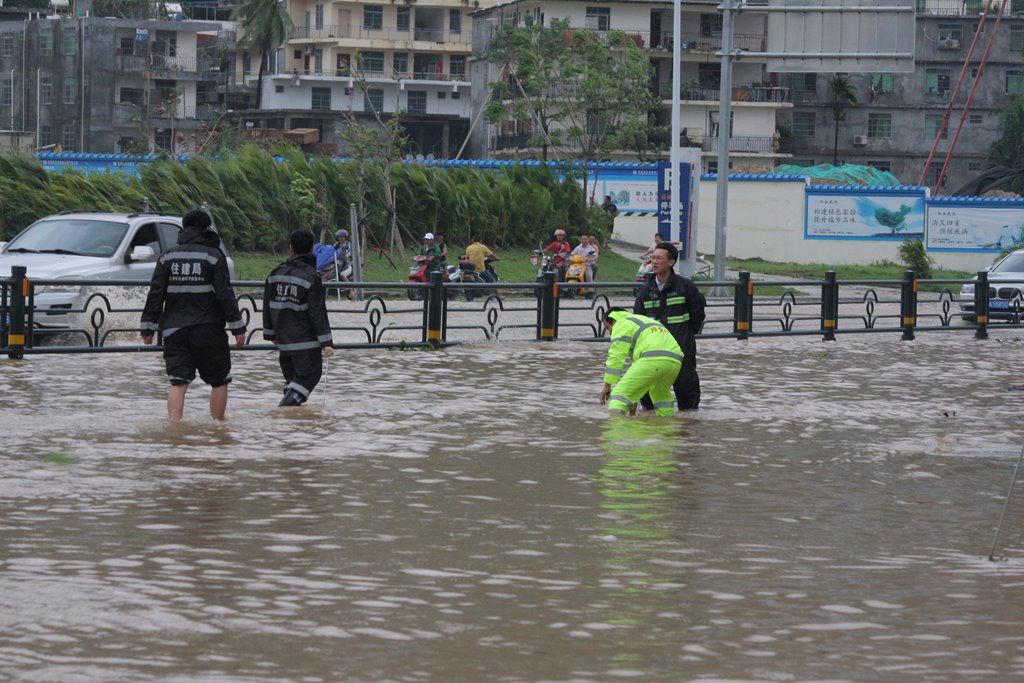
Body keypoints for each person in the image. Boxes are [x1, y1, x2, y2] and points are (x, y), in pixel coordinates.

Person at [140, 208, 246, 421]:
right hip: (208, 329)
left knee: (178, 382)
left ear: (185, 228)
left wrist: (148, 327)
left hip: (174, 330)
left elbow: (156, 294)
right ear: (206, 229)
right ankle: (218, 429)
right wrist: (238, 327)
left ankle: (174, 429)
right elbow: (225, 294)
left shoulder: (167, 257)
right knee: (219, 380)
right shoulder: (214, 257)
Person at [263, 229, 334, 407]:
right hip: (306, 344)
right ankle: (281, 413)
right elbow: (317, 313)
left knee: (293, 382)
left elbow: (267, 306)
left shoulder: (275, 274)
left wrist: (270, 334)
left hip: (284, 343)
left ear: (290, 248)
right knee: (306, 380)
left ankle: (291, 428)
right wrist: (326, 342)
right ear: (312, 249)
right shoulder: (311, 277)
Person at [633, 241, 706, 410]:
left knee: (686, 388)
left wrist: (686, 334)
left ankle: (688, 424)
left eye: (659, 258)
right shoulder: (646, 289)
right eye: (653, 258)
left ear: (671, 262)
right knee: (648, 391)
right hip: (653, 348)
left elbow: (698, 313)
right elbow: (639, 319)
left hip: (681, 345)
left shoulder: (685, 286)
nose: (654, 262)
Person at [599, 308, 683, 417]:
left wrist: (607, 385)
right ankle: (667, 428)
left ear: (613, 320)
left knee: (619, 395)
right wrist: (633, 399)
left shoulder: (622, 323)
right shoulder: (643, 320)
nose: (609, 332)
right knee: (660, 395)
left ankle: (615, 431)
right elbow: (638, 373)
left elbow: (616, 357)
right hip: (675, 361)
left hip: (653, 357)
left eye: (608, 328)